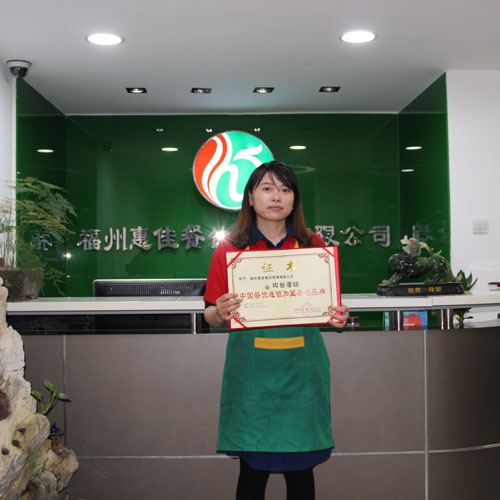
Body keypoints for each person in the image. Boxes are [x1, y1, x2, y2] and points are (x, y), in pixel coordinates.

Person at [204, 161, 349, 500]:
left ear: (294, 199)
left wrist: (338, 315)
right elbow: (210, 315)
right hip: (252, 376)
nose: (276, 197)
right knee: (252, 473)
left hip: (302, 373)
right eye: (267, 189)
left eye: (285, 190)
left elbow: (328, 308)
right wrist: (219, 312)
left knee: (301, 472)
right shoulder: (230, 248)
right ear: (250, 198)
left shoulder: (312, 244)